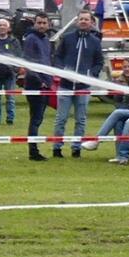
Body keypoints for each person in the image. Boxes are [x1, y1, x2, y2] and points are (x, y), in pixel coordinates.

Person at [51, 12, 104, 157]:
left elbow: (99, 62)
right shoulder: (67, 38)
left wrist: (90, 74)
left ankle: (76, 148)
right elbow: (57, 57)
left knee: (81, 120)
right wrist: (63, 70)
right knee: (61, 118)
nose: (83, 22)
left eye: (86, 19)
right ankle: (57, 148)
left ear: (91, 22)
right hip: (66, 86)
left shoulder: (95, 42)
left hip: (83, 88)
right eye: (81, 19)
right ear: (76, 22)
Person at [20, 14, 55, 161]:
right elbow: (29, 62)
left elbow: (46, 61)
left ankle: (34, 149)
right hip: (35, 85)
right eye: (39, 23)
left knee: (38, 119)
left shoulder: (46, 40)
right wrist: (39, 80)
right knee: (35, 119)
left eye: (44, 23)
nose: (41, 25)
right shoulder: (31, 39)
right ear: (35, 24)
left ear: (48, 24)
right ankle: (33, 151)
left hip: (46, 83)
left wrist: (50, 79)